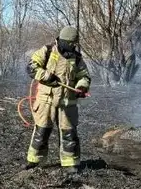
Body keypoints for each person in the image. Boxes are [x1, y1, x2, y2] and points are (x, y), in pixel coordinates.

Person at [24, 26, 91, 174]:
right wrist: (47, 77)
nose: (73, 47)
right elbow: (31, 67)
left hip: (68, 102)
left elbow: (84, 76)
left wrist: (82, 87)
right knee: (42, 131)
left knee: (69, 134)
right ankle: (34, 162)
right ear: (63, 41)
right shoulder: (47, 51)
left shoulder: (77, 58)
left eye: (75, 44)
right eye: (71, 44)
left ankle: (70, 164)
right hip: (46, 100)